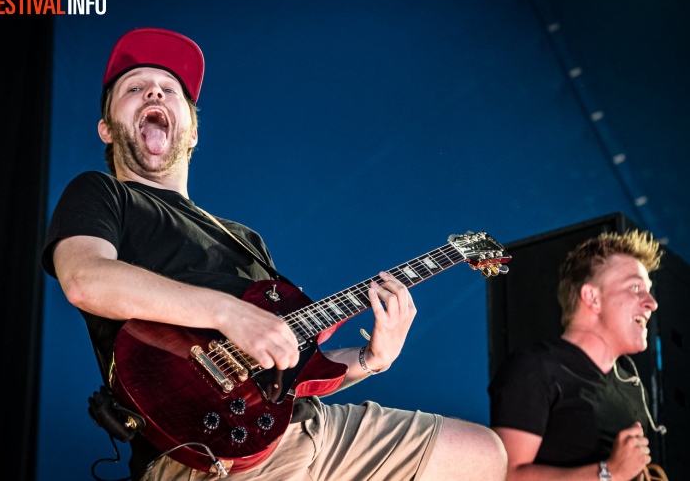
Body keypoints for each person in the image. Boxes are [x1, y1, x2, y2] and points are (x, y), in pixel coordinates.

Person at [41, 27, 507, 481]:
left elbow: (287, 369)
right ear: (106, 128)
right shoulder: (102, 194)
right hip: (204, 454)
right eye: (135, 88)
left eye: (169, 90)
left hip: (303, 426)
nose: (155, 95)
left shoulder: (244, 238)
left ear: (194, 132)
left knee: (482, 454)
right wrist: (229, 314)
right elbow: (86, 278)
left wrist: (370, 359)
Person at [488, 229, 666, 481]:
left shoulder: (633, 389)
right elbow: (505, 475)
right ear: (592, 298)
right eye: (635, 287)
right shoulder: (535, 367)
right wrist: (609, 472)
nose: (651, 302)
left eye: (648, 290)